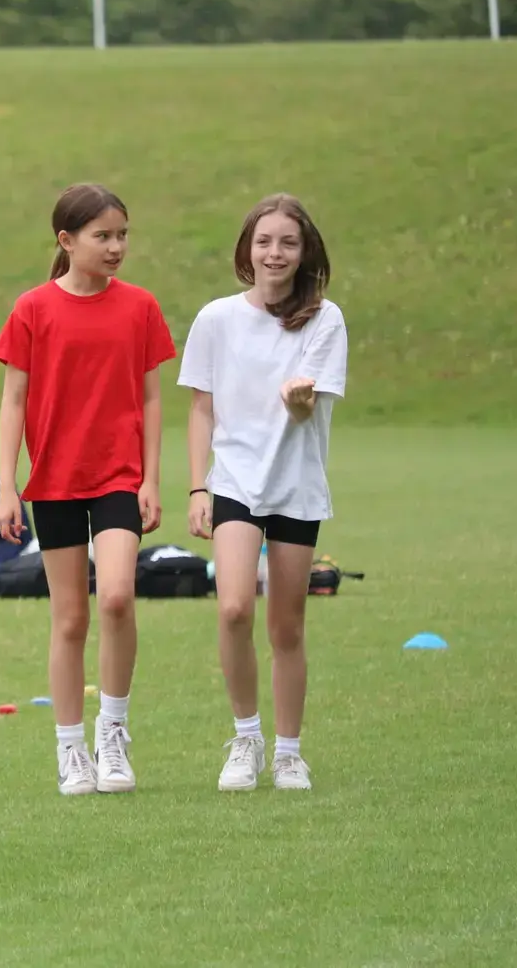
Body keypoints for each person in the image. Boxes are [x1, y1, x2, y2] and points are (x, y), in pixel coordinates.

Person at [0, 183, 175, 796]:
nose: (117, 246)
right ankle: (71, 750)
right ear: (67, 241)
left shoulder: (141, 307)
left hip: (119, 476)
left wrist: (151, 477)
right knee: (70, 618)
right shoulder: (32, 309)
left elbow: (151, 397)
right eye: (104, 236)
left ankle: (112, 734)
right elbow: (13, 399)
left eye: (122, 234)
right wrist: (7, 487)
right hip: (56, 482)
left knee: (118, 597)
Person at [180, 193, 347, 793]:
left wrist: (299, 402)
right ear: (247, 249)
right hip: (234, 484)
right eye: (265, 241)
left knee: (287, 626)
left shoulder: (325, 321)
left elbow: (306, 415)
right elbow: (201, 407)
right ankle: (245, 738)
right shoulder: (217, 319)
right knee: (233, 609)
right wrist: (198, 484)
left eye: (288, 243)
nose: (275, 253)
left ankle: (289, 752)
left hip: (296, 488)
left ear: (305, 254)